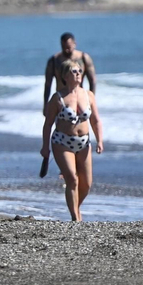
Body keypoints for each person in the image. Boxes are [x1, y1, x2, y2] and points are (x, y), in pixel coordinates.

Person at [41, 58, 103, 221]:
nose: (78, 74)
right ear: (65, 76)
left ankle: (76, 207)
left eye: (79, 71)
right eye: (73, 71)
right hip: (62, 142)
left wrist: (100, 140)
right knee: (72, 179)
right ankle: (75, 218)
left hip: (83, 143)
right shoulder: (57, 98)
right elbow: (47, 124)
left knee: (87, 184)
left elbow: (95, 120)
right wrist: (45, 147)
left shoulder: (88, 95)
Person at [43, 32, 98, 102]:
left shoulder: (84, 58)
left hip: (79, 98)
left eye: (68, 47)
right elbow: (48, 84)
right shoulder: (54, 60)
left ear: (74, 44)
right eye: (64, 47)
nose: (66, 50)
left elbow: (92, 81)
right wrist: (46, 104)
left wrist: (91, 100)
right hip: (61, 99)